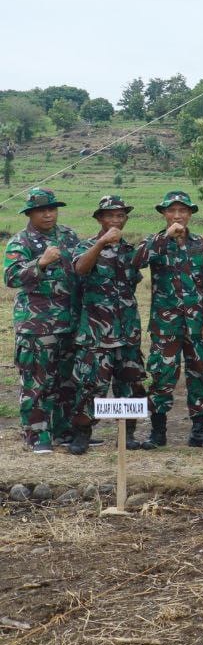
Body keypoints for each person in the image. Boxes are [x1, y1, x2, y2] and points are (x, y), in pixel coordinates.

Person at [136, 191, 203, 450]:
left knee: (200, 374)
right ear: (164, 214)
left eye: (183, 211)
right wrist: (164, 237)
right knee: (162, 375)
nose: (177, 215)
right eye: (172, 211)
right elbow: (137, 262)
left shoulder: (200, 244)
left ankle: (199, 431)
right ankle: (158, 431)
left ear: (190, 214)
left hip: (197, 324)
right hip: (166, 326)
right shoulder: (155, 242)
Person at [67, 195, 147, 454]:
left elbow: (133, 281)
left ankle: (128, 434)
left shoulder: (129, 251)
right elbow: (80, 269)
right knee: (90, 385)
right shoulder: (86, 246)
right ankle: (82, 433)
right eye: (110, 215)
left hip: (126, 332)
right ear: (100, 218)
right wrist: (101, 244)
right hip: (95, 333)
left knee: (131, 383)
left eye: (120, 215)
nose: (116, 220)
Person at [5, 187, 80, 453]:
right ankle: (36, 435)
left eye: (52, 209)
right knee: (37, 382)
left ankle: (64, 431)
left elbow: (81, 268)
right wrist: (41, 262)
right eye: (42, 210)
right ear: (30, 213)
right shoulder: (20, 241)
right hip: (36, 326)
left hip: (69, 323)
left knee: (67, 381)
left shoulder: (69, 235)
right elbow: (11, 277)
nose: (49, 214)